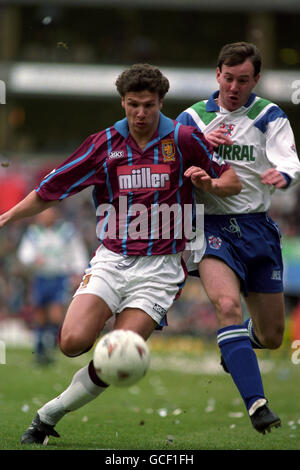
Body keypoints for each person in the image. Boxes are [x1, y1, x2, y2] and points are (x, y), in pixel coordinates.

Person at [0, 63, 241, 445]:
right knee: (71, 343)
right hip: (112, 259)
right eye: (133, 105)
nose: (140, 113)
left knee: (119, 356)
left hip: (160, 270)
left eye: (148, 105)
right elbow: (51, 188)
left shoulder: (183, 139)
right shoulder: (104, 144)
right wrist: (8, 216)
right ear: (123, 102)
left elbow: (230, 178)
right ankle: (73, 375)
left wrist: (211, 182)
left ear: (161, 102)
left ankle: (47, 417)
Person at [176, 42, 300, 434]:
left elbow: (288, 158)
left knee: (272, 336)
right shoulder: (192, 118)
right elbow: (170, 160)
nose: (233, 87)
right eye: (228, 78)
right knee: (227, 305)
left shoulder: (269, 115)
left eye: (242, 80)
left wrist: (284, 174)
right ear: (217, 75)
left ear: (255, 80)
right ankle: (257, 405)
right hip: (210, 227)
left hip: (257, 227)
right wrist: (192, 159)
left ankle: (236, 344)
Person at [17, 206, 89, 364]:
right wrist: (32, 259)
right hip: (41, 277)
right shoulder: (34, 232)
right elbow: (24, 253)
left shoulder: (66, 231)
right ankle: (40, 349)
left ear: (55, 215)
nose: (45, 216)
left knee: (56, 311)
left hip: (60, 276)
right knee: (39, 313)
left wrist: (78, 271)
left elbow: (77, 251)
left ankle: (51, 346)